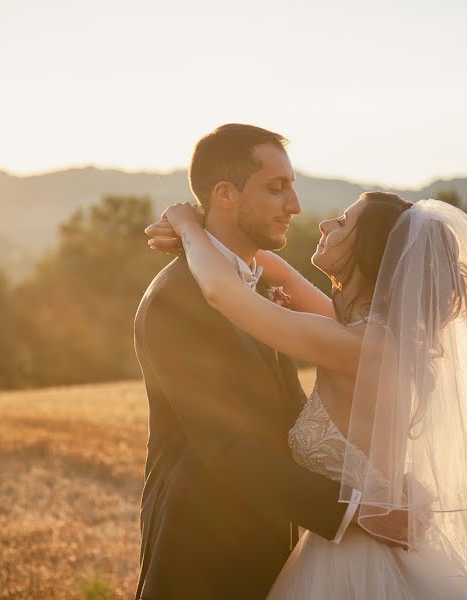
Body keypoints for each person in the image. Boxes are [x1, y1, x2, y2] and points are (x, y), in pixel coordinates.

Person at [146, 167, 467, 597]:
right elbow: (278, 274)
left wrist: (187, 225)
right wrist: (206, 235)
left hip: (356, 563)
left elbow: (225, 292)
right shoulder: (372, 334)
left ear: (370, 249)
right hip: (355, 546)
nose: (323, 223)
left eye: (342, 222)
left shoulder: (357, 344)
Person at [132, 124, 406, 600]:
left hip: (275, 550)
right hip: (203, 558)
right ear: (226, 194)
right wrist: (354, 511)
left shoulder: (250, 290)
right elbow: (228, 450)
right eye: (277, 189)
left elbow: (285, 417)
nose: (296, 206)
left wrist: (190, 226)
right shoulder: (176, 300)